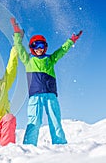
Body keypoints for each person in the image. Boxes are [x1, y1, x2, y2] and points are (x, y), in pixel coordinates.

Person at [10, 17, 83, 146]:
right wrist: (16, 33)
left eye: (41, 46)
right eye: (35, 46)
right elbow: (19, 47)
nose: (39, 49)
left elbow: (62, 50)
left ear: (45, 47)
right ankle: (29, 146)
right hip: (35, 95)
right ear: (32, 47)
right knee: (34, 121)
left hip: (50, 95)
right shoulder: (28, 60)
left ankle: (60, 144)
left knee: (55, 120)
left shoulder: (51, 59)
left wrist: (71, 41)